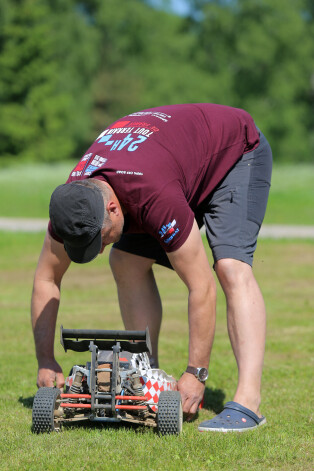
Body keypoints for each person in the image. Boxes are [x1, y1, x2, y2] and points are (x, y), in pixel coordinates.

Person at [31, 103, 272, 432]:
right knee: (125, 260)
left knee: (230, 267)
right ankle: (147, 380)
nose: (98, 251)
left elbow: (201, 287)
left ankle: (248, 403)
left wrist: (196, 372)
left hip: (235, 154)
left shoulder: (151, 194)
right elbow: (47, 277)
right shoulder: (73, 202)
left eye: (98, 241)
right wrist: (46, 359)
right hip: (171, 165)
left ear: (114, 209)